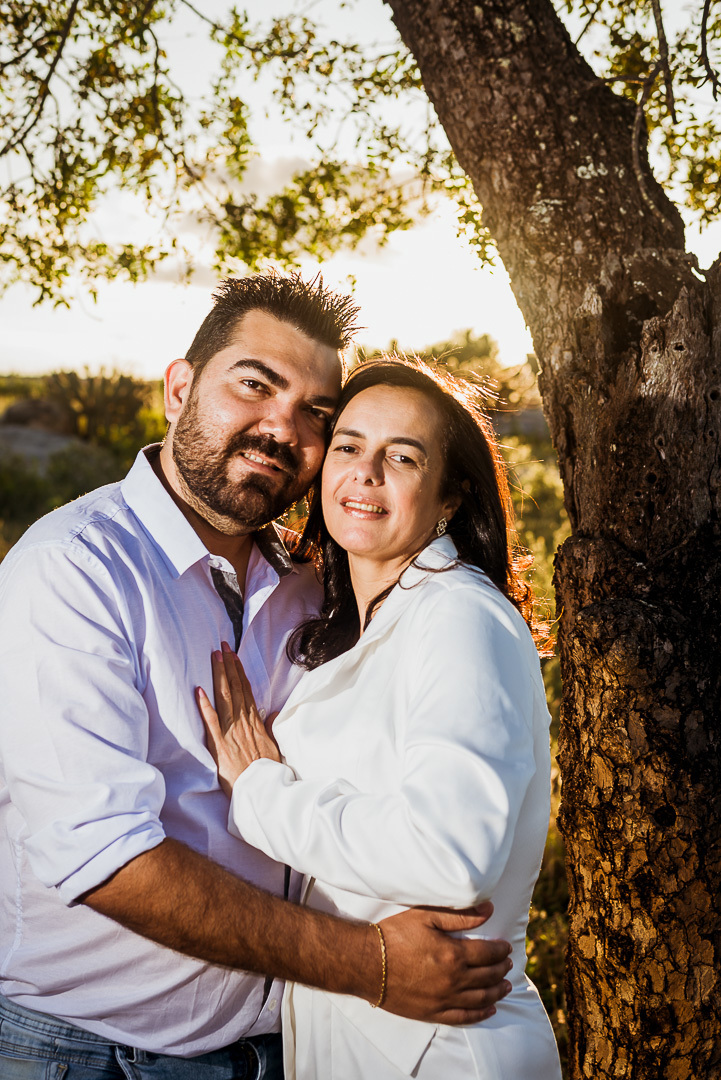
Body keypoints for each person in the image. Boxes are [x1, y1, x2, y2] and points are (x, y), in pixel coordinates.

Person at [0, 275, 513, 1080]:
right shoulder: (74, 570)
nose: (281, 428)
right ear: (178, 388)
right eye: (254, 384)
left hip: (283, 1051)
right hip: (90, 1055)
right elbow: (102, 855)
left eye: (316, 412)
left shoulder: (316, 584)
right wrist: (370, 964)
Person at [199, 357, 563, 1079]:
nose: (364, 473)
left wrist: (263, 792)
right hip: (369, 1037)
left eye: (400, 456)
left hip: (443, 1048)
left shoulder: (459, 618)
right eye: (349, 446)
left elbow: (449, 858)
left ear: (451, 497)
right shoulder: (371, 617)